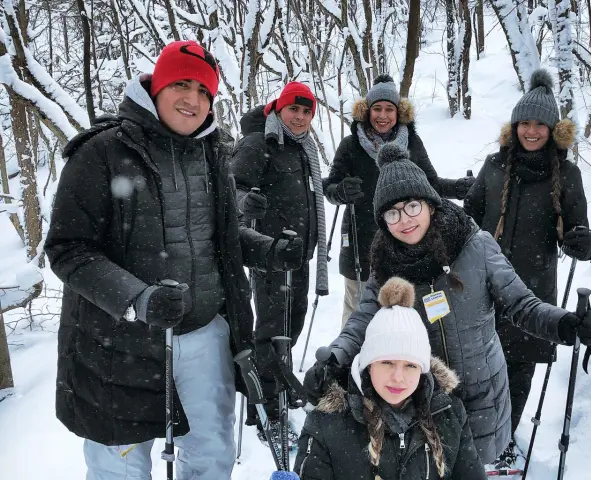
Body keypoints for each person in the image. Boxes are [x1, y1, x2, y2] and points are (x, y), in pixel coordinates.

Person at [45, 40, 301, 480]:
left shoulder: (213, 153)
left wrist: (268, 250)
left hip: (205, 334)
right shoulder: (101, 152)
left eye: (204, 92)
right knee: (118, 468)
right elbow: (68, 249)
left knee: (211, 457)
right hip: (118, 344)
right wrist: (137, 297)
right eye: (181, 84)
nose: (193, 99)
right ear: (155, 86)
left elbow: (218, 238)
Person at [302, 143, 591, 466]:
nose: (405, 220)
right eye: (392, 213)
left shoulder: (475, 245)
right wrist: (334, 357)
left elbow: (522, 305)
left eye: (412, 206)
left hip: (481, 393)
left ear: (430, 203)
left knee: (475, 467)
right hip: (426, 403)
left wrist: (563, 323)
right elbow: (361, 324)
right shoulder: (385, 265)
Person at [463, 69, 591, 466]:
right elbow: (468, 216)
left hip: (532, 289)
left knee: (518, 372)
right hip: (480, 285)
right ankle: (468, 444)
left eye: (540, 123)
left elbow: (580, 230)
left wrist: (587, 244)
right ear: (515, 125)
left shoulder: (567, 174)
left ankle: (503, 446)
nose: (532, 131)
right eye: (525, 122)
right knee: (473, 367)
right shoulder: (493, 165)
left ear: (553, 129)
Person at [294, 277, 485, 479]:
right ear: (368, 365)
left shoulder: (449, 414)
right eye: (387, 362)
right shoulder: (327, 423)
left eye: (410, 365)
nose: (398, 377)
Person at [323, 74, 475, 325]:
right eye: (377, 109)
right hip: (361, 243)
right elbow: (329, 187)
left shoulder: (412, 143)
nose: (383, 115)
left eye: (389, 109)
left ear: (399, 113)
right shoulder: (351, 146)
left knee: (403, 316)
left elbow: (431, 185)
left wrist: (458, 188)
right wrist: (340, 191)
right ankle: (350, 362)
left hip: (405, 243)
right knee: (359, 314)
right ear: (367, 111)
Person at [232, 81, 327, 443]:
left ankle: (280, 391)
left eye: (306, 112)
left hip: (298, 257)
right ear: (279, 109)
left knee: (292, 324)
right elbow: (231, 188)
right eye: (294, 110)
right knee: (271, 333)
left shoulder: (303, 148)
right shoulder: (260, 143)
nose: (300, 117)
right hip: (268, 256)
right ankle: (266, 410)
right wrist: (245, 203)